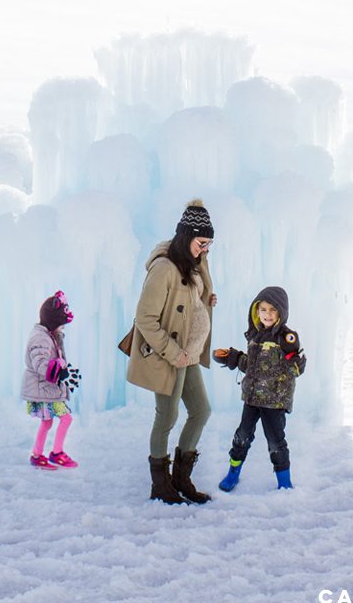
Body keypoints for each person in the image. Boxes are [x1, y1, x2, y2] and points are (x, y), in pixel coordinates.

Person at [126, 199, 218, 504]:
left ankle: (181, 478)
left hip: (189, 354)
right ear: (186, 236)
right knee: (167, 416)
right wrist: (172, 351)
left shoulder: (193, 265)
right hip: (170, 355)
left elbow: (188, 303)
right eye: (201, 243)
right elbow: (146, 318)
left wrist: (206, 299)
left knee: (201, 411)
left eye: (209, 245)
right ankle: (160, 485)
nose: (205, 249)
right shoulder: (163, 268)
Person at [213, 285, 306, 490]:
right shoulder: (255, 335)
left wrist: (297, 365)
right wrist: (233, 358)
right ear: (256, 311)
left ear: (281, 312)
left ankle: (284, 482)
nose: (267, 314)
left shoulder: (287, 337)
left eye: (273, 310)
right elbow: (253, 366)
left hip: (274, 401)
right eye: (263, 309)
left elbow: (293, 366)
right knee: (242, 436)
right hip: (252, 398)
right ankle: (233, 473)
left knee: (275, 441)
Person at [21, 290, 80, 470]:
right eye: (62, 324)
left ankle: (37, 455)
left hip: (46, 388)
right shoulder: (41, 338)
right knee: (66, 419)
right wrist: (56, 372)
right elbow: (40, 363)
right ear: (54, 322)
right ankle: (56, 453)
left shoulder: (50, 336)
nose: (64, 327)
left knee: (47, 422)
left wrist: (63, 371)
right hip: (43, 389)